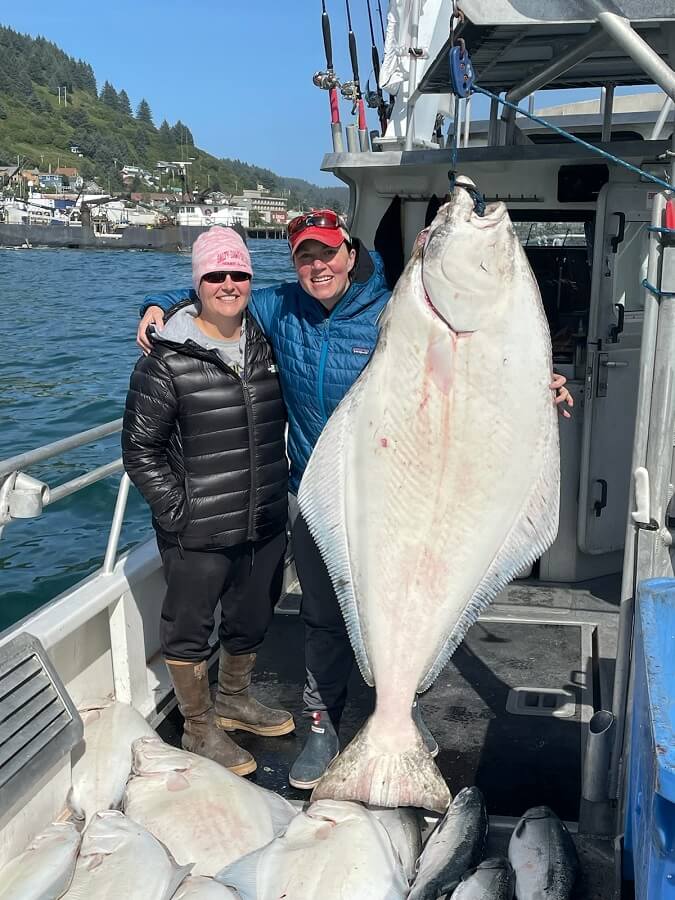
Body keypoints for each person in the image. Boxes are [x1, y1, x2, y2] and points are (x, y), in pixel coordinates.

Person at [136, 210, 574, 789]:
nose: (317, 266)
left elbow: (475, 366)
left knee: (415, 607)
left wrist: (537, 381)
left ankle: (401, 711)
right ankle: (322, 724)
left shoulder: (395, 306)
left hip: (402, 488)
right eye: (304, 257)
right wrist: (158, 302)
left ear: (350, 252)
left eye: (327, 254)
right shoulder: (281, 307)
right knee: (322, 617)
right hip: (325, 493)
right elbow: (222, 294)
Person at [123, 226, 294, 778]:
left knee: (252, 615)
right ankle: (199, 727)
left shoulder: (268, 340)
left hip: (264, 515)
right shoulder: (166, 359)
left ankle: (234, 698)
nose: (227, 284)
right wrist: (180, 510)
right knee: (189, 627)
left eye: (237, 273)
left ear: (250, 278)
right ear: (198, 283)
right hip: (197, 526)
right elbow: (140, 450)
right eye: (214, 275)